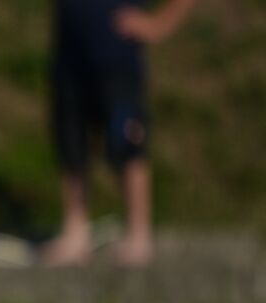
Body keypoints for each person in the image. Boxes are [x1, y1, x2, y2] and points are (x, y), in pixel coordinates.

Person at [42, 0, 197, 267]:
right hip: (70, 49)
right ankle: (76, 231)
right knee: (70, 137)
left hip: (116, 52)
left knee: (126, 139)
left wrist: (159, 24)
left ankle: (139, 234)